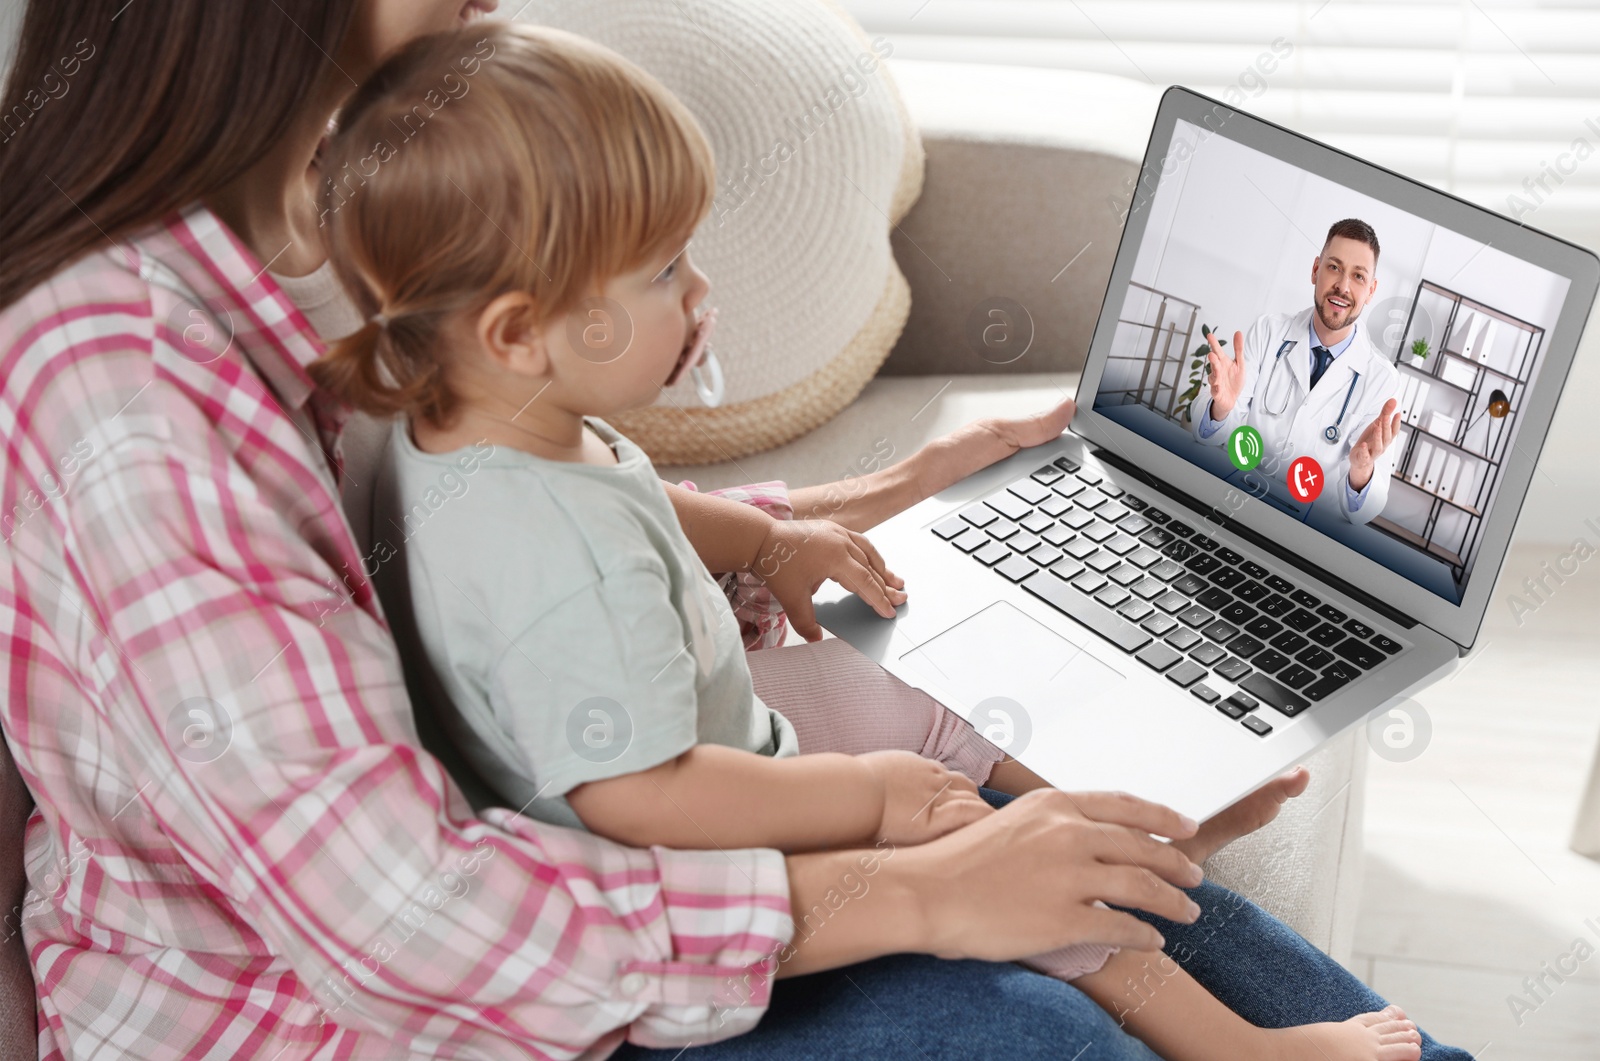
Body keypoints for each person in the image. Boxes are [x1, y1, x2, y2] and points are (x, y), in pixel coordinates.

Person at [0, 2, 1474, 1058]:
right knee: (1038, 1008)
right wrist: (909, 882)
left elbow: (544, 544)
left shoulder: (367, 219)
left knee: (1153, 900)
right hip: (366, 1001)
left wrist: (851, 504)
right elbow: (406, 923)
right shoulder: (129, 386)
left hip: (560, 835)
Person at [1192, 219, 1403, 524]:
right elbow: (1208, 437)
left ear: (1371, 290)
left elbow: (1362, 512)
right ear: (1316, 270)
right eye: (1334, 267)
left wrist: (1361, 473)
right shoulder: (1269, 332)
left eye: (1358, 276)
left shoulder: (1383, 381)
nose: (1343, 286)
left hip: (1303, 535)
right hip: (1231, 506)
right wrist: (1221, 410)